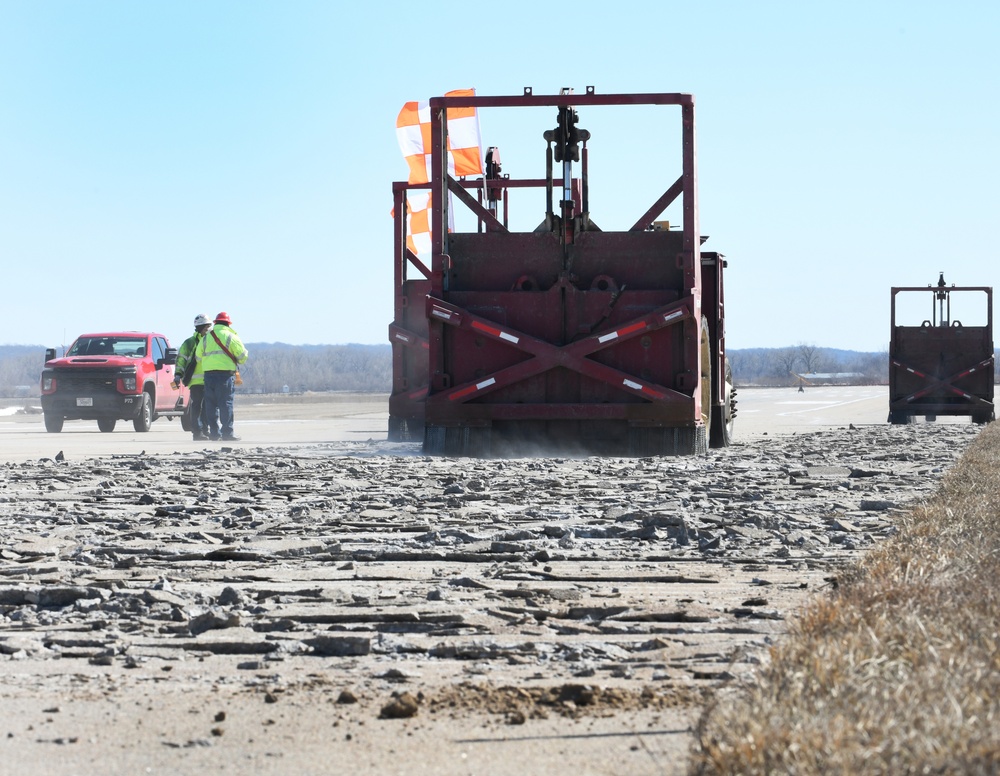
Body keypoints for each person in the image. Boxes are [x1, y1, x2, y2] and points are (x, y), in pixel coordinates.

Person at [199, 311, 249, 442]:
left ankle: (214, 434)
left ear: (215, 323)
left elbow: (198, 356)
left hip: (208, 376)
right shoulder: (231, 336)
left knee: (211, 405)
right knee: (225, 404)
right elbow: (243, 357)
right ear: (228, 323)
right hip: (225, 376)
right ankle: (227, 433)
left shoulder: (206, 337)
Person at [172, 314, 213, 441]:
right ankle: (197, 432)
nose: (209, 329)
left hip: (209, 380)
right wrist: (178, 375)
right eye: (207, 327)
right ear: (201, 327)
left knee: (207, 408)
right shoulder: (189, 343)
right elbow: (181, 360)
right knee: (197, 407)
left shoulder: (211, 341)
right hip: (196, 381)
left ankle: (205, 431)